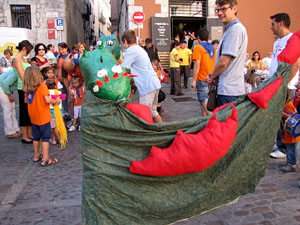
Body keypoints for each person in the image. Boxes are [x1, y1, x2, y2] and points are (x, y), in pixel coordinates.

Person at [267, 13, 300, 158]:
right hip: (275, 86)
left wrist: (285, 83)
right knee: (277, 118)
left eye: (273, 24)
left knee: (288, 120)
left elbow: (296, 64)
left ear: (281, 23)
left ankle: (287, 151)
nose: (271, 27)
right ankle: (280, 143)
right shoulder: (277, 42)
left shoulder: (293, 40)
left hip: (286, 87)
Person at [207, 0, 248, 107]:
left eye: (224, 9)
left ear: (234, 9)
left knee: (226, 123)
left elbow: (223, 62)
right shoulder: (231, 29)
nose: (220, 13)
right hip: (229, 89)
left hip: (229, 90)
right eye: (218, 10)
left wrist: (212, 77)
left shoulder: (235, 29)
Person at [121, 30, 163, 123]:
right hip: (154, 83)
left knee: (145, 115)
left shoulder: (130, 50)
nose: (123, 45)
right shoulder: (139, 48)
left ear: (125, 41)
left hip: (147, 85)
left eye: (123, 43)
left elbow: (123, 69)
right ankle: (164, 131)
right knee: (152, 111)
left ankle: (149, 136)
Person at [23, 66, 60, 166]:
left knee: (36, 137)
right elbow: (47, 100)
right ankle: (45, 158)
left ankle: (36, 155)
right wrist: (56, 101)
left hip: (33, 117)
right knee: (45, 137)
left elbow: (26, 101)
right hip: (43, 116)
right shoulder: (42, 86)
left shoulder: (27, 88)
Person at [12, 40, 34, 144]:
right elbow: (22, 75)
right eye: (28, 50)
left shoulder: (23, 59)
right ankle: (25, 135)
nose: (29, 52)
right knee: (24, 112)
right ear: (24, 48)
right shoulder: (17, 59)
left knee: (29, 112)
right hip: (23, 88)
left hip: (29, 87)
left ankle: (29, 134)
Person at [191, 29, 217, 117]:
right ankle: (205, 121)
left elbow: (197, 64)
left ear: (198, 37)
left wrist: (194, 80)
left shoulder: (198, 48)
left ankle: (213, 119)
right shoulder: (213, 48)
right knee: (207, 101)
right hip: (211, 78)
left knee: (203, 100)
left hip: (202, 78)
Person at [0, 69, 21, 138]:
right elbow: (5, 83)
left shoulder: (16, 71)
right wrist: (9, 95)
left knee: (12, 107)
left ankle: (15, 129)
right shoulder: (16, 73)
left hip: (5, 88)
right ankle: (10, 131)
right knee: (8, 109)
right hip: (2, 88)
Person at [45, 79, 62, 145]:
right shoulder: (56, 92)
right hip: (57, 111)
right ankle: (54, 139)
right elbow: (60, 101)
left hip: (50, 112)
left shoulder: (47, 93)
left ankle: (58, 139)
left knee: (53, 127)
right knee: (56, 126)